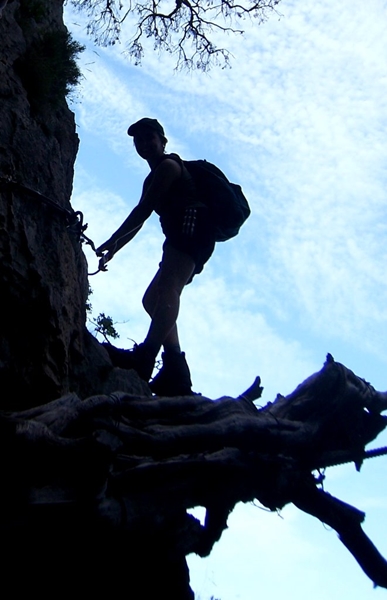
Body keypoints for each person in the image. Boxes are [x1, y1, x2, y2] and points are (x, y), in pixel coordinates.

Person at [96, 118, 216, 395]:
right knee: (152, 299)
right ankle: (175, 368)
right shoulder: (154, 176)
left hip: (191, 228)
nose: (144, 143)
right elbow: (142, 214)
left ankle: (146, 357)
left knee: (168, 288)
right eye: (139, 140)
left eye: (150, 138)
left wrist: (114, 242)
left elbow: (143, 211)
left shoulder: (169, 167)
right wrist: (115, 247)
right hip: (183, 233)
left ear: (163, 142)